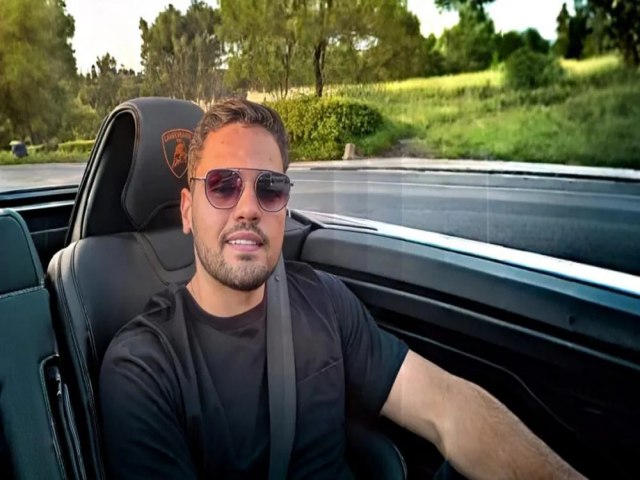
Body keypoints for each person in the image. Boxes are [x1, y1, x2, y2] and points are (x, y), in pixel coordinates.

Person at [99, 98, 586, 480]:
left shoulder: (324, 301)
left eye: (269, 188)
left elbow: (446, 406)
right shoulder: (144, 366)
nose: (248, 207)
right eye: (223, 186)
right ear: (187, 211)